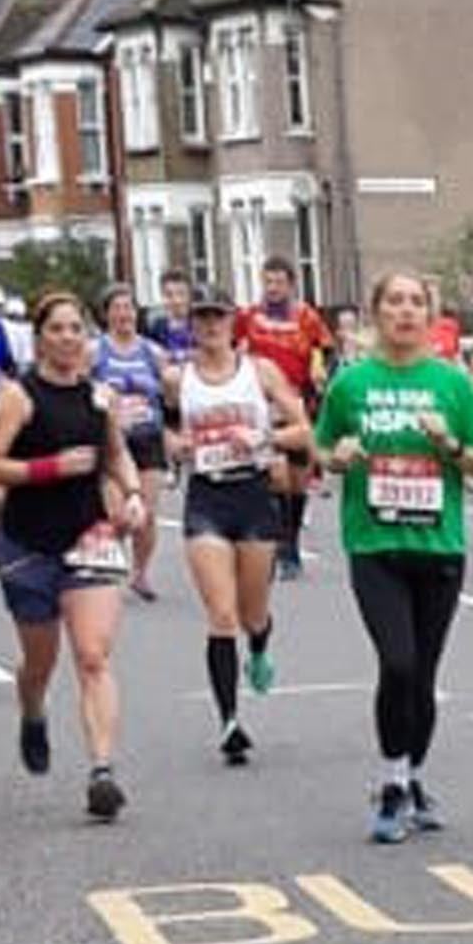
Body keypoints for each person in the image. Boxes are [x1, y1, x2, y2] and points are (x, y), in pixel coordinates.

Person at [309, 264, 473, 841]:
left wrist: (449, 443)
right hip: (375, 544)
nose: (406, 311)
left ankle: (415, 776)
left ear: (431, 314)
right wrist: (337, 454)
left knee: (423, 676)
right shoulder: (352, 384)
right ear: (377, 312)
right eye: (394, 301)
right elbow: (323, 449)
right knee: (397, 663)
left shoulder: (453, 384)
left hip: (438, 544)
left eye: (416, 301)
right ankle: (393, 783)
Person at [0, 290, 149, 815]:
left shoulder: (100, 396)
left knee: (92, 655)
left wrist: (130, 495)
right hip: (26, 542)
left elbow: (117, 454)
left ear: (88, 338)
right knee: (41, 660)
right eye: (56, 329)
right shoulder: (19, 396)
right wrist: (48, 469)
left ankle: (102, 770)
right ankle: (33, 708)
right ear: (39, 339)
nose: (67, 338)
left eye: (76, 329)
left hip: (89, 538)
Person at [166, 291, 309, 764]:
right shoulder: (177, 378)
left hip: (253, 495)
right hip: (206, 497)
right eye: (201, 319)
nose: (210, 327)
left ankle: (261, 647)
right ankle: (229, 720)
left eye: (217, 318)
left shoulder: (259, 372)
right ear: (191, 325)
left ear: (233, 323)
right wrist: (177, 444)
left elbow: (305, 429)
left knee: (252, 615)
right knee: (221, 615)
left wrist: (264, 436)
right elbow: (161, 431)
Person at [245, 255, 330, 577]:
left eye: (279, 282)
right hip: (263, 405)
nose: (273, 289)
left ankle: (291, 538)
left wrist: (319, 372)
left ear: (291, 285)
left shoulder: (306, 317)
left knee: (297, 482)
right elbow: (235, 347)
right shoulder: (250, 317)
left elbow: (325, 349)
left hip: (297, 403)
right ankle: (280, 544)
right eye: (268, 282)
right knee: (276, 476)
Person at [92, 286, 171, 602]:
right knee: (120, 515)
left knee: (146, 514)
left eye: (129, 308)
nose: (124, 314)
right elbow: (78, 387)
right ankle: (110, 559)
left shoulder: (152, 352)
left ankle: (140, 573)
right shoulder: (94, 351)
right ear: (107, 314)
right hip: (111, 441)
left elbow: (171, 394)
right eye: (118, 308)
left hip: (147, 437)